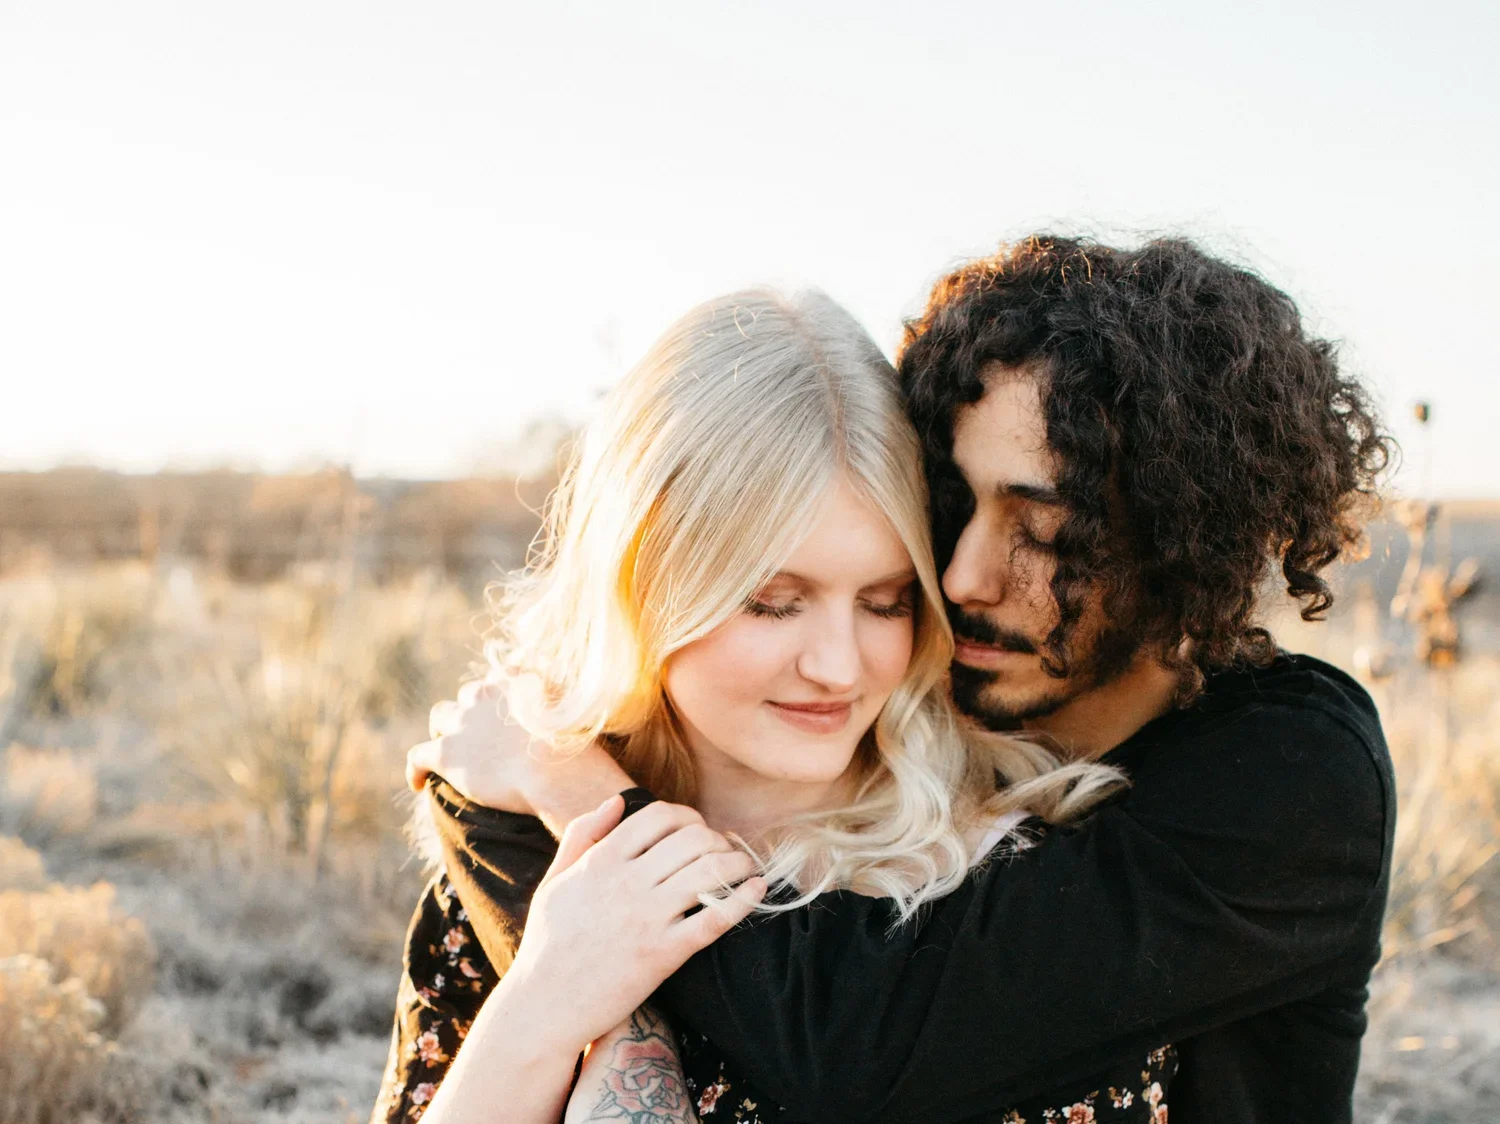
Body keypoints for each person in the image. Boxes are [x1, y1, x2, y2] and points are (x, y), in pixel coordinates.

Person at [398, 236, 1395, 1123]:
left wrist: (566, 791)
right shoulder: (519, 836)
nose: (959, 581)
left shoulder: (1250, 789)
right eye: (775, 600)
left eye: (886, 598)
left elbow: (853, 1044)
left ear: (1183, 543)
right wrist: (535, 984)